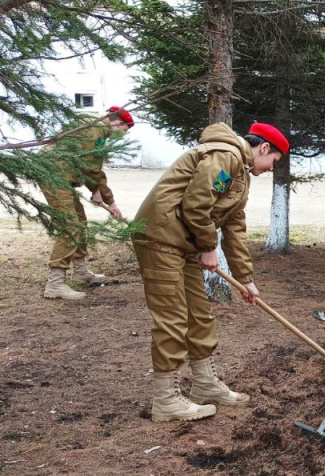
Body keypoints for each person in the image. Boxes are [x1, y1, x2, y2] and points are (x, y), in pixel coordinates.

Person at [132, 122, 288, 422]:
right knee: (172, 317)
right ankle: (166, 401)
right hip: (160, 237)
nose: (271, 168)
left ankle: (204, 384)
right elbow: (196, 203)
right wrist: (207, 247)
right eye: (274, 161)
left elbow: (235, 228)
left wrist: (246, 279)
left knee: (199, 314)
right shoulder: (226, 156)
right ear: (264, 148)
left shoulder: (240, 173)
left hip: (183, 242)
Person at [41, 106, 133, 300]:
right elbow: (91, 167)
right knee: (70, 226)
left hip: (60, 175)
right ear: (118, 123)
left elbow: (93, 167)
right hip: (54, 175)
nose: (121, 136)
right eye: (124, 131)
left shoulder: (95, 124)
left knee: (80, 221)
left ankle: (80, 271)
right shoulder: (96, 129)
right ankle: (55, 284)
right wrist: (97, 192)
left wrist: (107, 199)